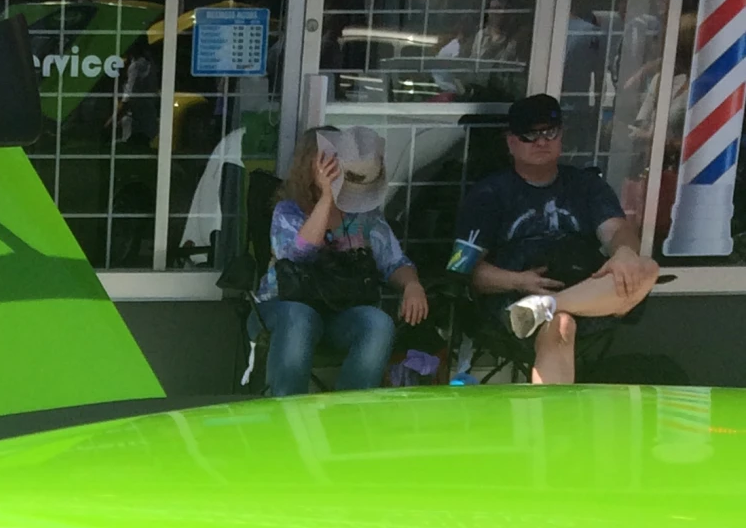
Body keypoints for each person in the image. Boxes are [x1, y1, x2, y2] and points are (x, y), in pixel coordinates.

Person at [455, 93, 661, 384]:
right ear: (510, 141)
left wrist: (625, 252)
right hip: (516, 298)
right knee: (559, 325)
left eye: (549, 132)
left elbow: (616, 231)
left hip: (586, 289)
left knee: (647, 267)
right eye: (530, 134)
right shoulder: (488, 194)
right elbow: (463, 270)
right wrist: (519, 281)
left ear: (561, 135)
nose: (541, 141)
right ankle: (552, 425)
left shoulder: (587, 185)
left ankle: (550, 303)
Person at [258, 127, 428, 397]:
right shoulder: (288, 210)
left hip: (341, 309)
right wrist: (327, 198)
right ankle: (285, 411)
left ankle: (349, 411)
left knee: (378, 322)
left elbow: (394, 261)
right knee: (300, 318)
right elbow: (297, 255)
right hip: (288, 305)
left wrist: (412, 285)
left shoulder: (365, 216)